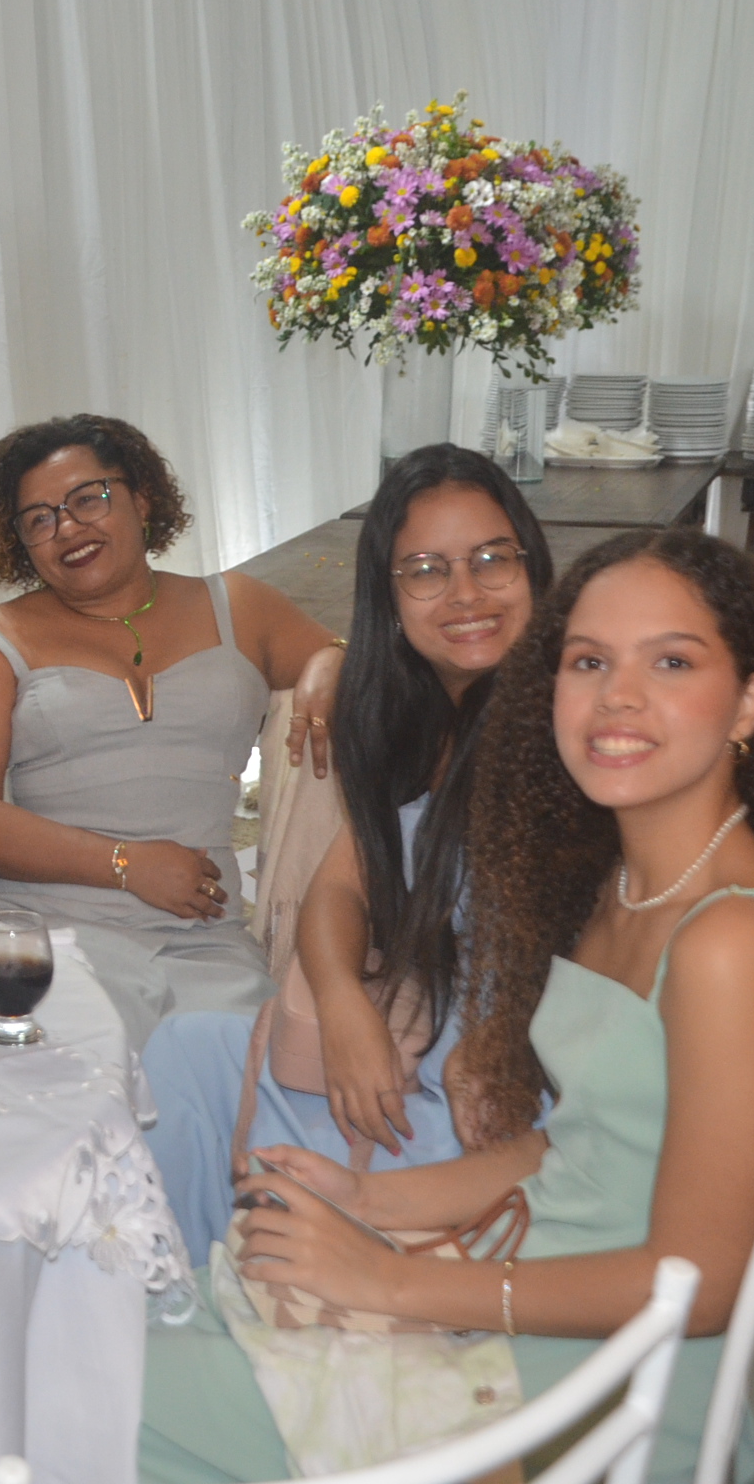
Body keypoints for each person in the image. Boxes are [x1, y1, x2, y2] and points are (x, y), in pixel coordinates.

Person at [140, 528, 754, 1484]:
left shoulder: (732, 943)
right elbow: (576, 1145)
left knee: (80, 1406)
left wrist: (391, 1283)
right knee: (167, 1332)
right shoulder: (633, 888)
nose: (618, 697)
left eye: (671, 661)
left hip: (585, 1396)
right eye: (588, 661)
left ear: (752, 702)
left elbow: (700, 1284)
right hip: (530, 1295)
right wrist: (373, 1199)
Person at [144, 445, 554, 1251]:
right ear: (388, 596)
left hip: (490, 1087)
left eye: (491, 559)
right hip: (415, 1030)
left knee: (208, 1097)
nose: (466, 593)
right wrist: (341, 1005)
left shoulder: (562, 725)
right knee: (183, 1053)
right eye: (426, 570)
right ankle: (193, 1283)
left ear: (531, 563)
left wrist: (496, 1046)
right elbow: (340, 889)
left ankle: (231, 1279)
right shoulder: (419, 717)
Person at [0, 415, 343, 1038]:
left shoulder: (238, 606)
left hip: (204, 940)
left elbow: (365, 671)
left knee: (246, 1064)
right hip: (47, 939)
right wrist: (126, 863)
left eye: (87, 499)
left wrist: (331, 661)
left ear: (143, 498)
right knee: (71, 1066)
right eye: (39, 519)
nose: (67, 528)